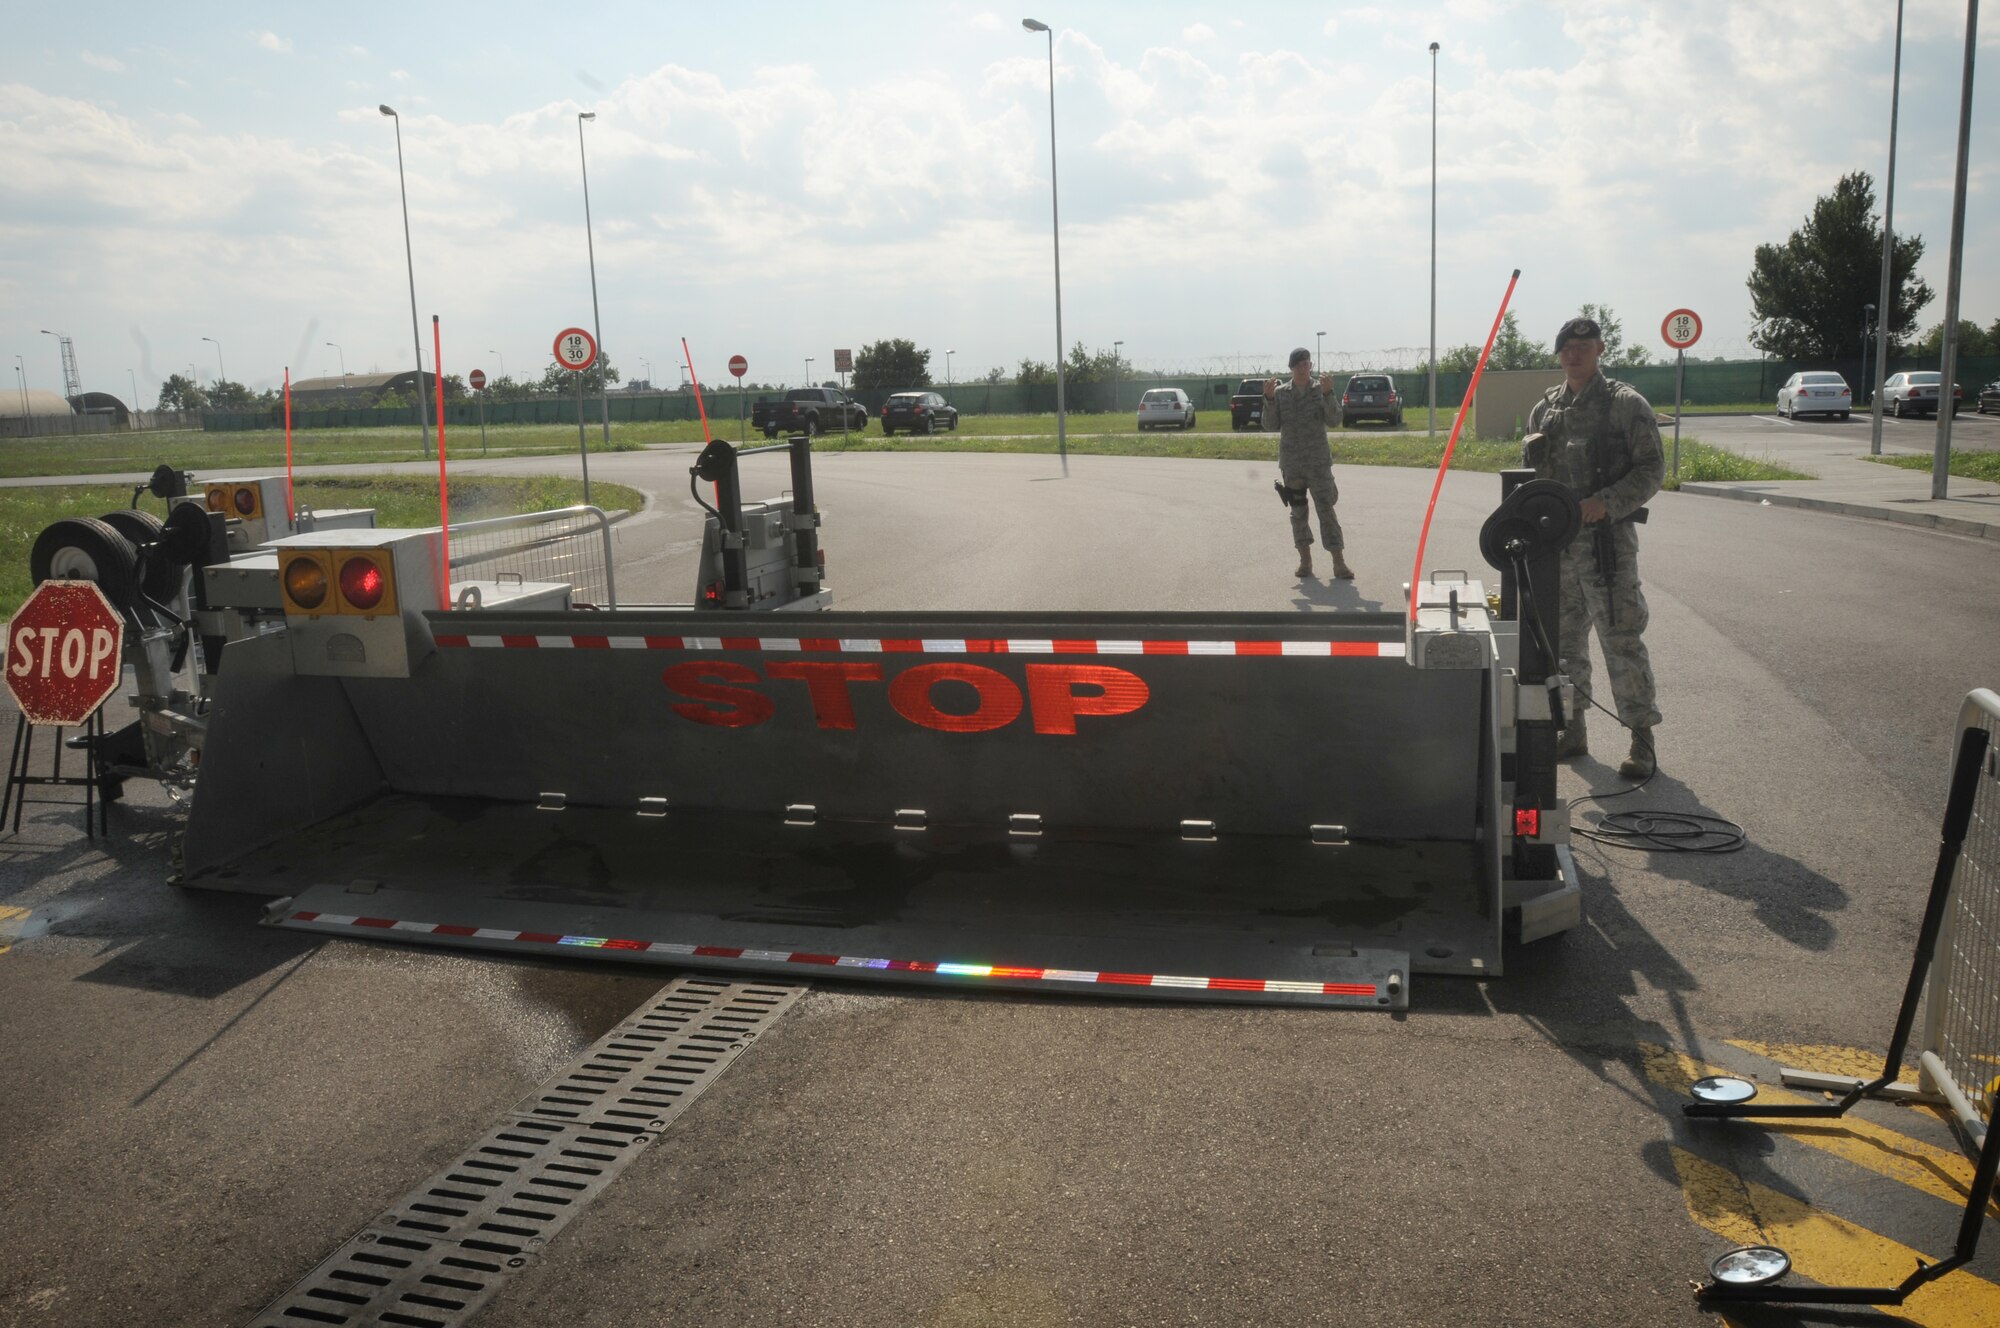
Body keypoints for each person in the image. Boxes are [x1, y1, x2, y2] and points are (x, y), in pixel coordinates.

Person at [1524, 315, 1665, 780]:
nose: (1574, 353)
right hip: (1558, 552)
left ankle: (1641, 740)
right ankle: (1573, 729)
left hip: (1608, 551)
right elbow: (1530, 478)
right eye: (1567, 346)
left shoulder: (1625, 405)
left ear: (1600, 349)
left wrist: (1605, 502)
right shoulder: (1544, 410)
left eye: (1583, 345)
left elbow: (1650, 471)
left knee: (1622, 643)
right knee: (1563, 651)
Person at [1262, 347, 1350, 579]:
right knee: (1298, 513)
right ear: (1291, 368)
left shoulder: (1320, 390)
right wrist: (1269, 400)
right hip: (1293, 465)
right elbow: (1270, 425)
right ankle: (1305, 561)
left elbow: (1335, 420)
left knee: (1326, 511)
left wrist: (1330, 395)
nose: (1303, 368)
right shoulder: (1281, 393)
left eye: (1306, 364)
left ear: (1310, 366)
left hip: (1318, 463)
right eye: (1299, 365)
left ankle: (1338, 562)